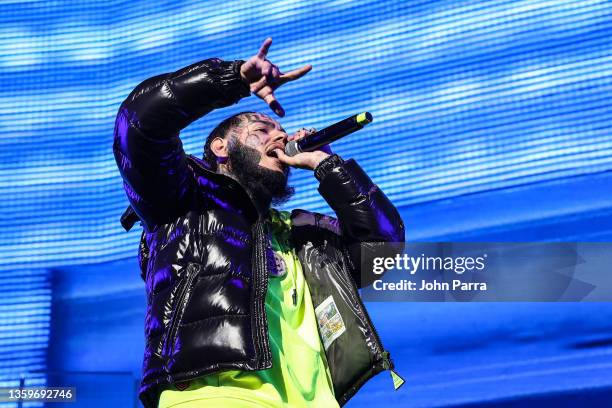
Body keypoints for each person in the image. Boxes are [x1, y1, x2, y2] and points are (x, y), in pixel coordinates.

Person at [113, 37, 405, 408]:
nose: (280, 136)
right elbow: (138, 126)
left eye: (279, 131)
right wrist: (232, 79)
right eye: (261, 129)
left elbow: (382, 249)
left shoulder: (302, 235)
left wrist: (327, 166)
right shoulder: (183, 201)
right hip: (218, 396)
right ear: (221, 147)